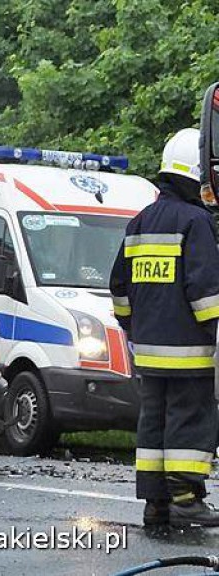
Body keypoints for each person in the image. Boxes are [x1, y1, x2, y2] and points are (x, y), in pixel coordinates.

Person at [109, 127, 219, 527]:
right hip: (191, 351)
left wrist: (133, 327)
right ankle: (187, 499)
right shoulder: (196, 221)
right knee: (190, 421)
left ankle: (156, 503)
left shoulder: (140, 222)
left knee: (154, 424)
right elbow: (205, 290)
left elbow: (118, 286)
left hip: (148, 352)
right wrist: (216, 331)